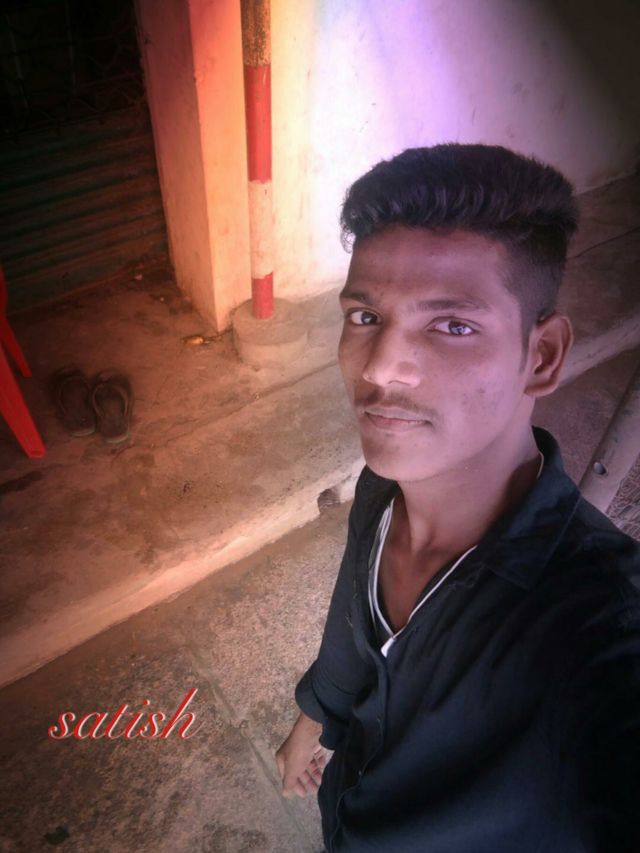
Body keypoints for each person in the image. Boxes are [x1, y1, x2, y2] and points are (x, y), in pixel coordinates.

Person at [274, 144, 640, 852]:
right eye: (365, 317)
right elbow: (349, 629)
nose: (381, 370)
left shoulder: (600, 633)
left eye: (453, 325)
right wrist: (313, 721)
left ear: (542, 356)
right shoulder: (383, 489)